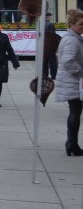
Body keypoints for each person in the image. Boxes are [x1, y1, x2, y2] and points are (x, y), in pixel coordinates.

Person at [54, 9, 83, 156]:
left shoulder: (73, 38)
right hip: (73, 81)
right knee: (75, 112)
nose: (82, 27)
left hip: (71, 80)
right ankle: (72, 143)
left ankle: (72, 143)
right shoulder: (72, 39)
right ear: (72, 24)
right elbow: (68, 61)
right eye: (80, 24)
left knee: (75, 112)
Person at [42, 12, 61, 79]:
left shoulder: (41, 24)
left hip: (44, 46)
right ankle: (53, 75)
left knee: (44, 62)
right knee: (52, 62)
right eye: (50, 16)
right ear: (48, 17)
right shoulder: (50, 25)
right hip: (50, 46)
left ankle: (44, 75)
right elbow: (53, 35)